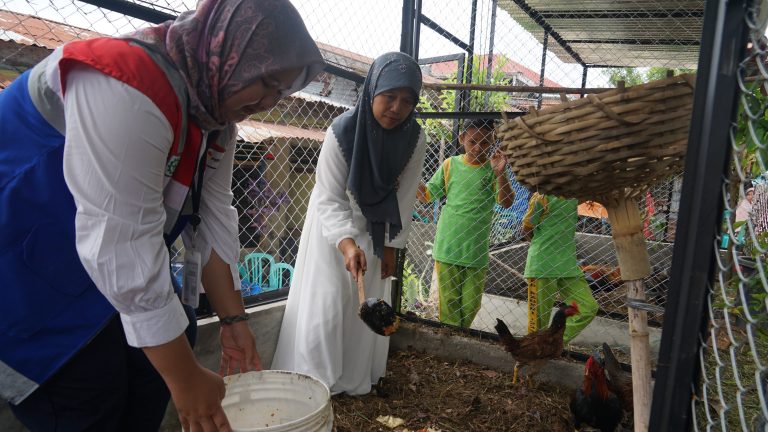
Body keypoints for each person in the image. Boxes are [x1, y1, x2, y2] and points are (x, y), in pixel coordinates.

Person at [0, 0, 325, 430]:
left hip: (102, 271)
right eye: (264, 81)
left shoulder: (214, 115)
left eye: (280, 92)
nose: (267, 102)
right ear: (227, 48)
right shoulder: (128, 82)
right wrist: (186, 378)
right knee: (88, 395)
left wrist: (233, 321)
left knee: (160, 363)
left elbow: (211, 213)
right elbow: (119, 242)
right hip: (33, 272)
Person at [271, 52, 427, 395]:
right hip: (331, 228)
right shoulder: (342, 131)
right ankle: (314, 384)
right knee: (327, 304)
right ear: (372, 91)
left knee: (364, 306)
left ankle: (351, 381)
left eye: (407, 101)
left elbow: (404, 198)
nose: (396, 108)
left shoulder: (415, 139)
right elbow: (328, 196)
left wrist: (389, 249)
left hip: (377, 231)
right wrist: (346, 243)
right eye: (389, 97)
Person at [417, 119, 514, 328]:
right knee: (449, 303)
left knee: (471, 305)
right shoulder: (450, 164)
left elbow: (506, 202)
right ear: (462, 139)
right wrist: (410, 176)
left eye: (485, 143)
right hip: (448, 246)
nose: (479, 147)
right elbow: (427, 195)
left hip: (476, 250)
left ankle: (458, 337)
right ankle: (452, 342)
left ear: (493, 142)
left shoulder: (493, 169)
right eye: (473, 141)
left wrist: (500, 174)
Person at [521, 193, 598, 342]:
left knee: (588, 308)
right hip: (542, 266)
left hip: (568, 266)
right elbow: (526, 228)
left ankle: (553, 342)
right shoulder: (541, 198)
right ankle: (531, 356)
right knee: (538, 325)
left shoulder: (574, 196)